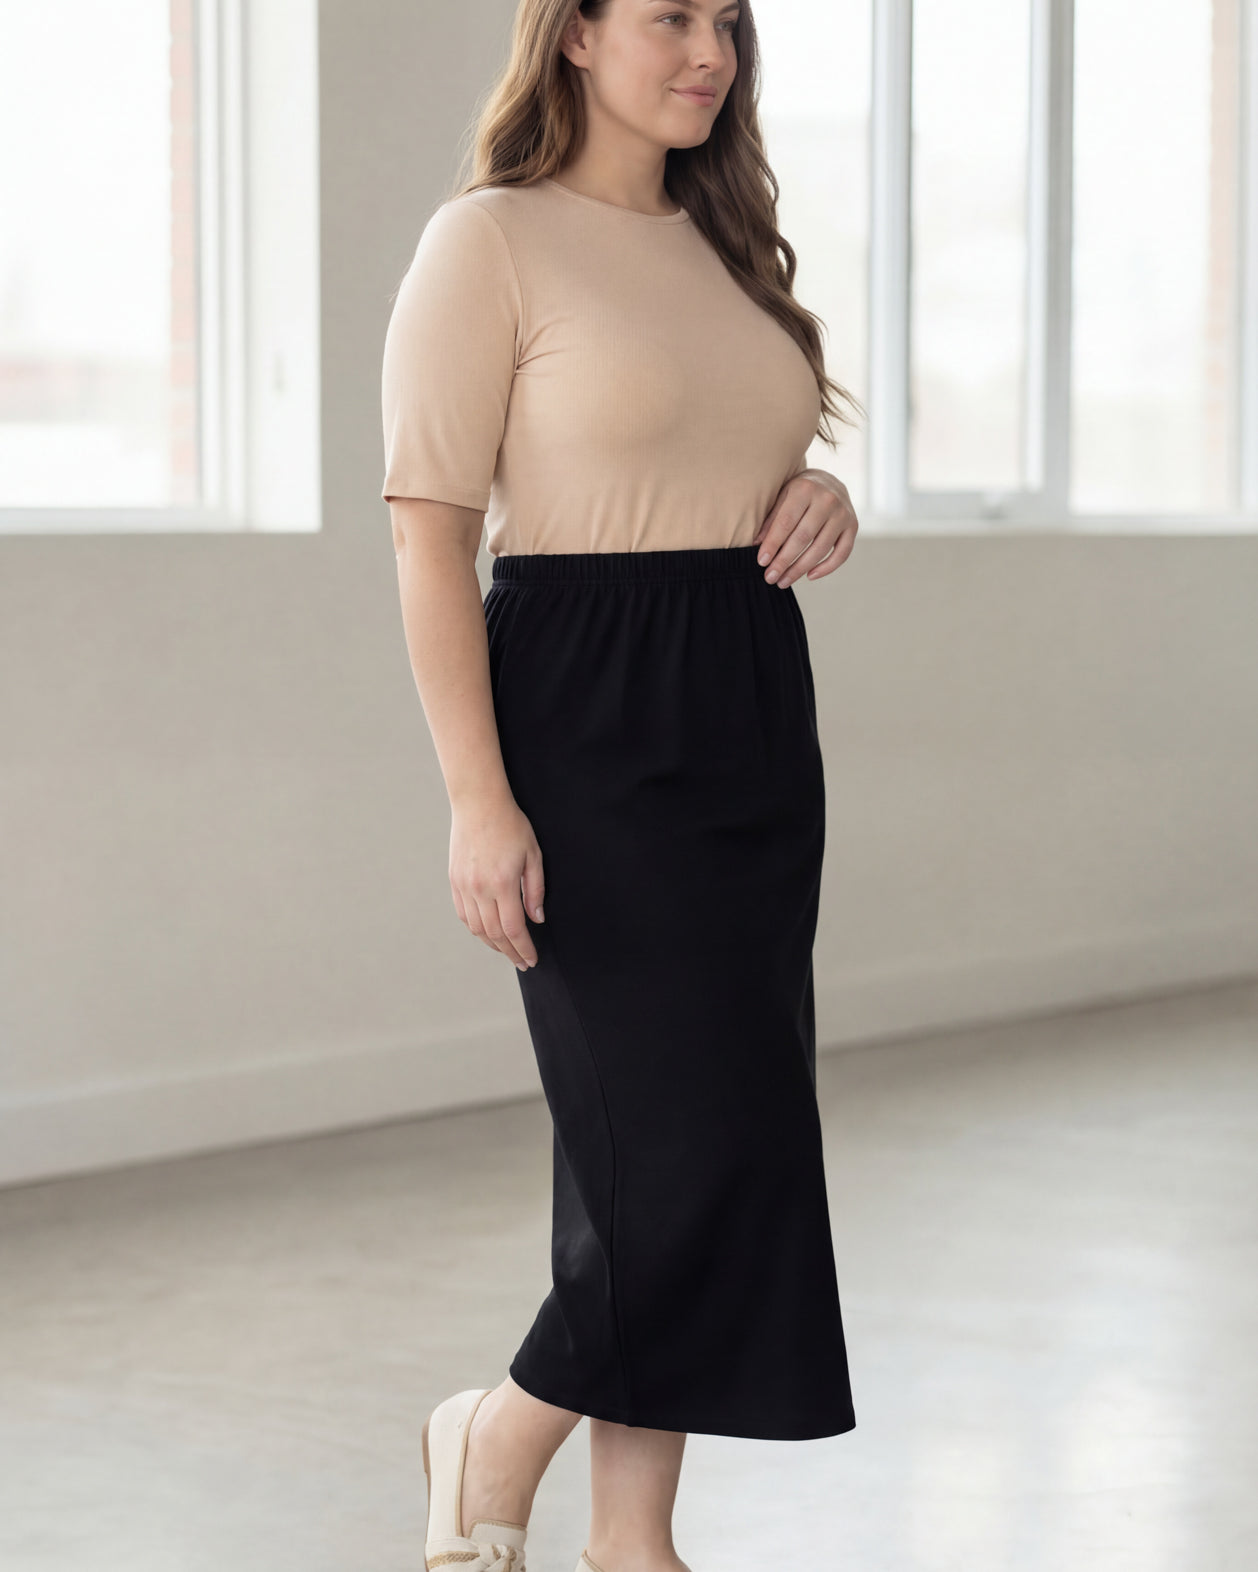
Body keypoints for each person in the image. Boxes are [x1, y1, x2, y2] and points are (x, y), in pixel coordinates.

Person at [381, 3, 864, 1569]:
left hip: (746, 704)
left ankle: (629, 1537)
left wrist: (816, 493)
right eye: (670, 15)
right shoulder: (489, 242)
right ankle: (498, 1434)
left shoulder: (724, 244)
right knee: (672, 1146)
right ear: (576, 35)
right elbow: (428, 535)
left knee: (727, 1131)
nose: (709, 49)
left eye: (727, 19)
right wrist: (478, 801)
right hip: (583, 712)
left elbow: (727, 449)